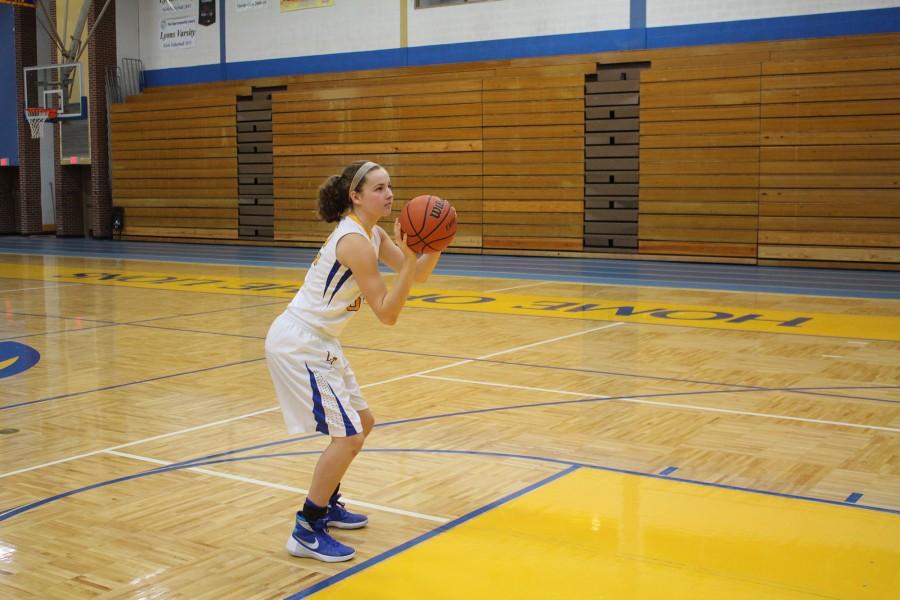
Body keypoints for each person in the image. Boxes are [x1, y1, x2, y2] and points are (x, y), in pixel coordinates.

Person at [265, 160, 446, 562]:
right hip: (299, 342)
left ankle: (327, 502)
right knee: (347, 437)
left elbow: (415, 276)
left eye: (390, 187)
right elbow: (387, 312)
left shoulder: (374, 233)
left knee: (362, 424)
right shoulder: (354, 242)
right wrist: (416, 253)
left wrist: (432, 248)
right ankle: (306, 527)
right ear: (356, 196)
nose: (389, 195)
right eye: (379, 188)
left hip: (322, 340)